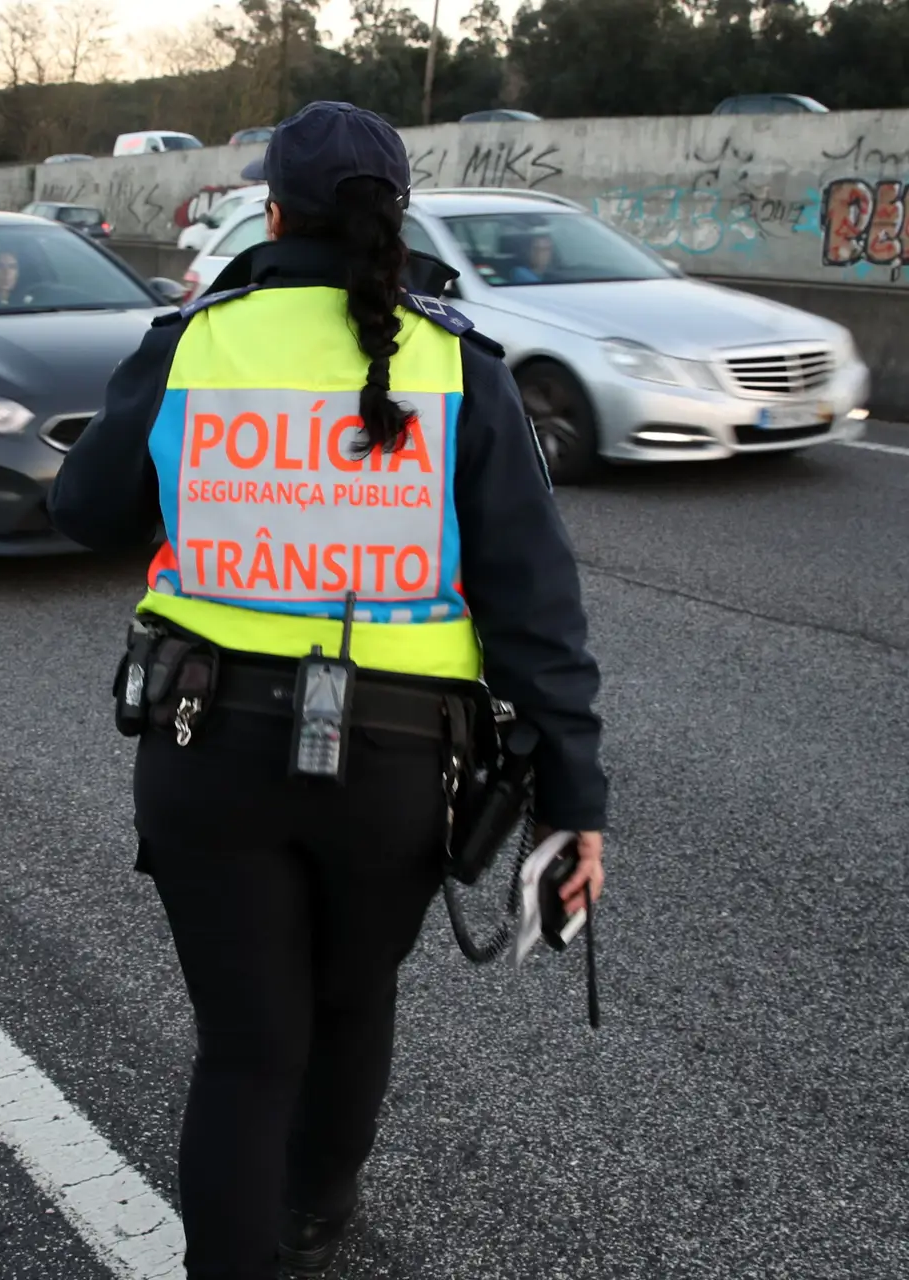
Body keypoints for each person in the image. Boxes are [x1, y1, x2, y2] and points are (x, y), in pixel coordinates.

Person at [47, 101, 607, 1278]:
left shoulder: (196, 341)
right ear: (394, 214)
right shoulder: (459, 364)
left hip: (205, 745)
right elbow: (534, 610)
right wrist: (576, 799)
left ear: (275, 209)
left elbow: (83, 510)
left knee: (247, 1052)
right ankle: (316, 1203)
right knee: (351, 1004)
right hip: (399, 769)